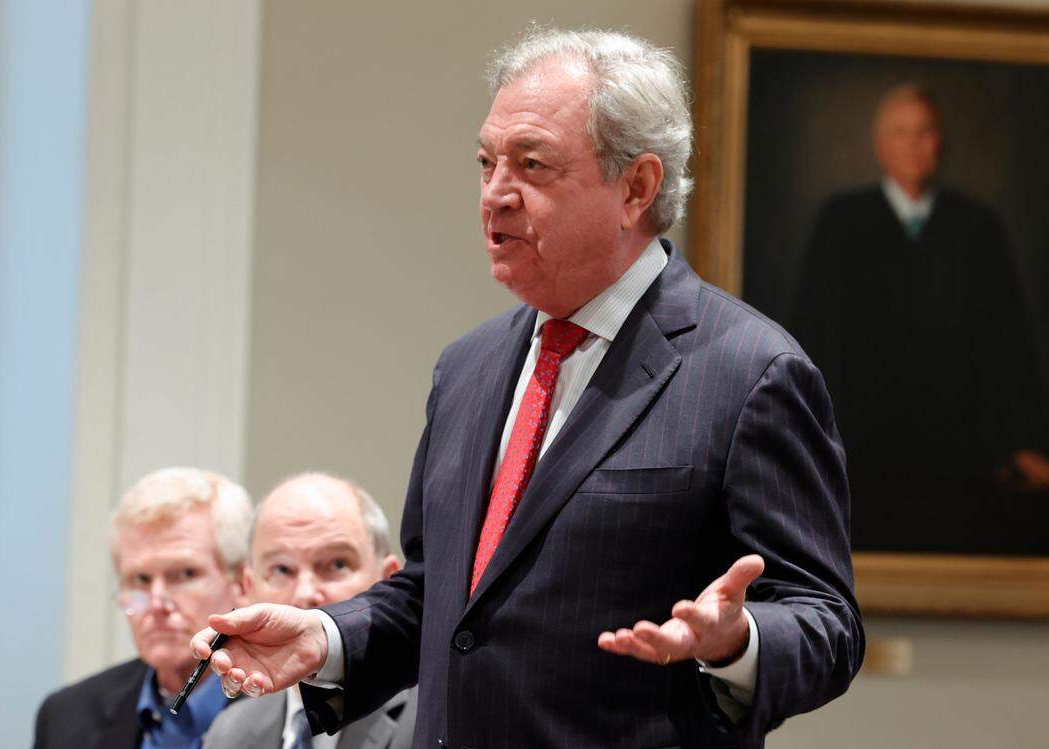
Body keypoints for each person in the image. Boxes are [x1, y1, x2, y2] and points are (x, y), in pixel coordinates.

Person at [194, 28, 864, 748]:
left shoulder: (750, 371)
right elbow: (434, 597)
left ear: (636, 187)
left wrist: (737, 639)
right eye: (486, 163)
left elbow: (825, 622)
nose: (495, 194)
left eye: (531, 164)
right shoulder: (469, 366)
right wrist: (325, 636)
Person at [793, 83, 1049, 555]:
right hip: (861, 446)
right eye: (900, 133)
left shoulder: (977, 228)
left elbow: (1008, 344)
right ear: (880, 145)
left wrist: (1022, 441)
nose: (913, 145)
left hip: (959, 450)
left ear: (940, 143)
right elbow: (814, 336)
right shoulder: (842, 223)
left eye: (924, 132)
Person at [34, 468, 254, 748]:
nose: (156, 603)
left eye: (184, 574)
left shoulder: (292, 713)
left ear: (242, 585)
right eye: (140, 579)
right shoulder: (67, 716)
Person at [202, 473, 416, 749]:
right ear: (248, 588)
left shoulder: (437, 716)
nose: (305, 593)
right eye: (282, 569)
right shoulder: (229, 732)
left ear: (388, 580)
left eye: (337, 564)